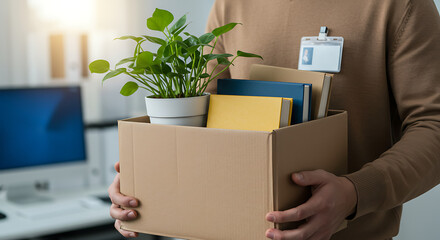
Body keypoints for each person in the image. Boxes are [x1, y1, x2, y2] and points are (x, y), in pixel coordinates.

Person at [108, 0, 440, 239]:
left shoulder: (399, 5)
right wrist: (147, 179)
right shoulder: (229, 5)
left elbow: (434, 124)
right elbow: (201, 121)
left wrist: (355, 192)